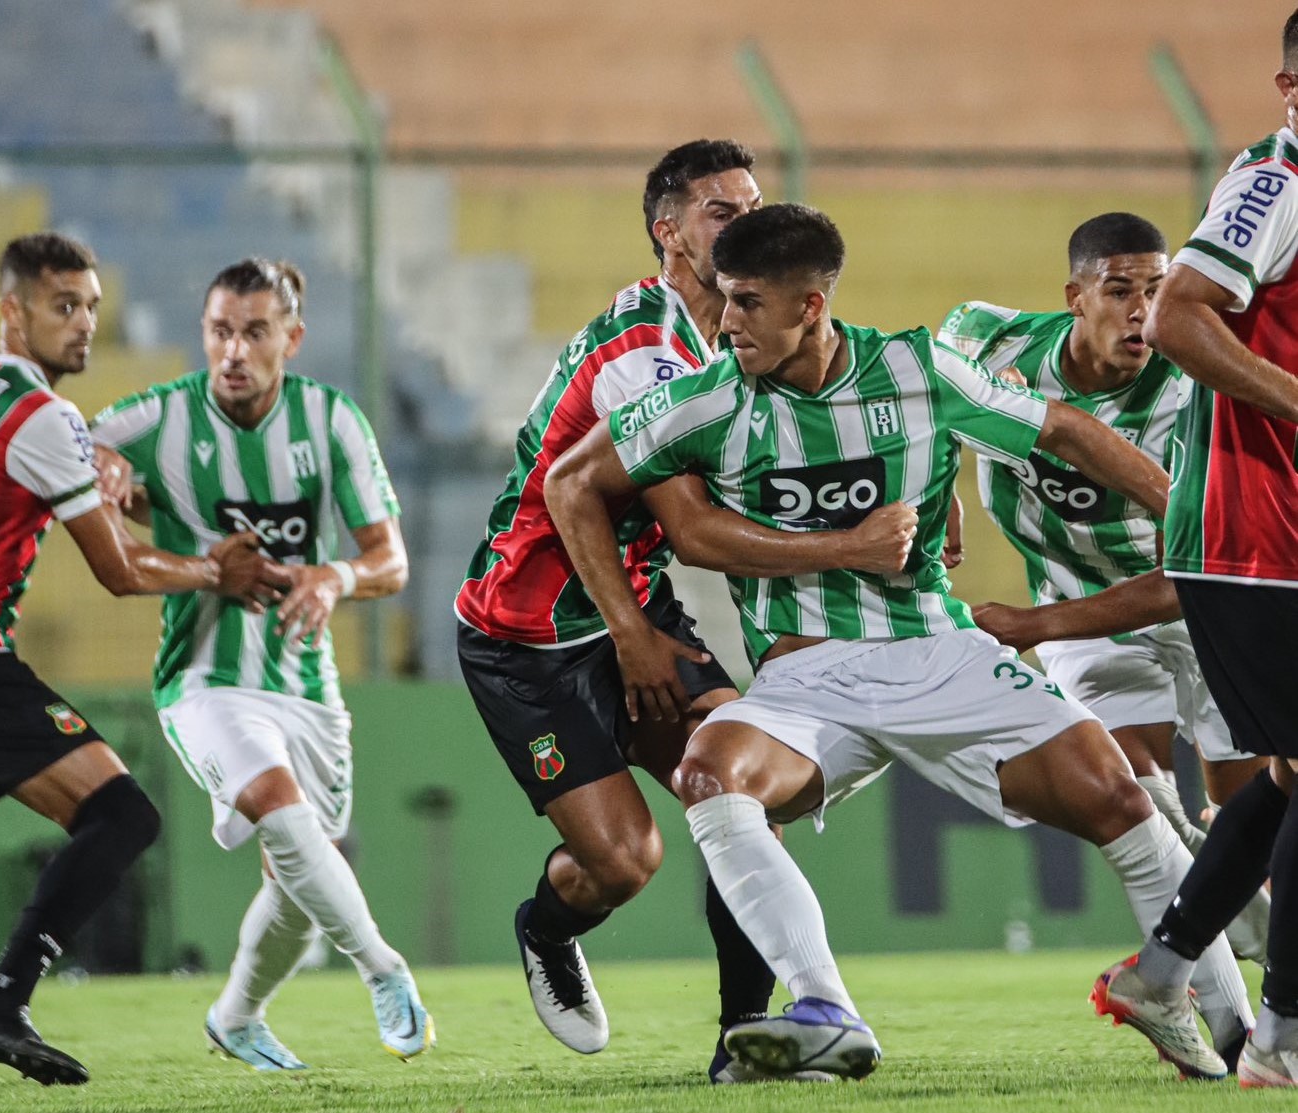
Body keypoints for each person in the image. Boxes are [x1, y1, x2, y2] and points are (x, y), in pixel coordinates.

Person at [545, 203, 1251, 1082]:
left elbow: (1063, 427)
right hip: (804, 676)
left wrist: (1190, 523)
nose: (724, 323)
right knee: (706, 775)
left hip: (938, 651)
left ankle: (1234, 1033)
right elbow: (572, 481)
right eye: (723, 299)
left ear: (811, 305)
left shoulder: (919, 370)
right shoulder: (706, 398)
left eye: (746, 303)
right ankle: (823, 1007)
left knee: (1120, 798)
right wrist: (628, 628)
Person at [455, 140, 915, 1083]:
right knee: (625, 862)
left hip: (635, 602)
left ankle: (744, 1037)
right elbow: (698, 526)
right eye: (718, 210)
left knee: (737, 790)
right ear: (667, 233)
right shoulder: (645, 355)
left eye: (751, 204)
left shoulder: (735, 332)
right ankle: (547, 926)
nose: (742, 222)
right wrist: (851, 544)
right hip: (531, 633)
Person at [0, 233, 275, 1086]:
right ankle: (1, 1003)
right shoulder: (41, 416)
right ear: (13, 311)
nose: (85, 323)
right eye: (63, 306)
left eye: (91, 305)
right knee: (123, 815)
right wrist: (214, 572)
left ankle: (0, 1003)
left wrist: (100, 459)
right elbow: (119, 571)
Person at [90, 258, 431, 1070]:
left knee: (300, 891)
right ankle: (383, 966)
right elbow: (69, 444)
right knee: (278, 806)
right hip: (203, 676)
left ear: (292, 338)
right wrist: (100, 466)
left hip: (307, 686)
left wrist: (334, 575)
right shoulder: (165, 415)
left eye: (253, 332)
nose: (233, 350)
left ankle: (236, 1015)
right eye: (218, 331)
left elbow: (390, 561)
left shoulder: (333, 421)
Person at [938, 212, 1270, 978]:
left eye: (1157, 291)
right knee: (1134, 792)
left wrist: (1032, 622)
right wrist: (955, 458)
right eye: (1119, 290)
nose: (1142, 311)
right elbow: (940, 353)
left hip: (1200, 607)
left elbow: (1191, 568)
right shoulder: (1000, 343)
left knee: (1250, 815)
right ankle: (1227, 967)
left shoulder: (1195, 394)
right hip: (1082, 609)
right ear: (1074, 297)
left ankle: (1254, 946)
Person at [1093, 9, 1298, 1088]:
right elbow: (1179, 316)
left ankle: (1159, 971)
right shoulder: (1275, 182)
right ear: (1288, 87)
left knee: (1282, 771)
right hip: (1246, 532)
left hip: (1284, 532)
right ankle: (1281, 1038)